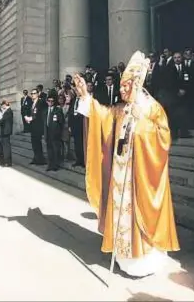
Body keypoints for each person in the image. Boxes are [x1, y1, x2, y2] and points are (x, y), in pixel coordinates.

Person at [73, 51, 179, 277]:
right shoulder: (122, 108)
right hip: (121, 172)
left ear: (136, 85)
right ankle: (124, 256)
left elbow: (164, 138)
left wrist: (140, 130)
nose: (121, 91)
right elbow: (102, 116)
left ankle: (145, 257)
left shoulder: (151, 107)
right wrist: (85, 97)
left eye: (125, 86)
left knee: (140, 212)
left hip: (141, 173)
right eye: (120, 86)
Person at [45, 92, 64, 171]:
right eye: (49, 101)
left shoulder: (58, 110)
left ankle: (56, 165)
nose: (50, 102)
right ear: (47, 101)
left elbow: (61, 121)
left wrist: (58, 131)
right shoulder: (45, 111)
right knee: (49, 150)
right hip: (47, 133)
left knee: (56, 150)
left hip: (55, 133)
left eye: (52, 101)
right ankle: (50, 165)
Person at [0, 100, 13, 167]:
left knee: (6, 147)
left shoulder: (8, 111)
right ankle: (3, 161)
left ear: (4, 105)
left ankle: (8, 162)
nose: (1, 106)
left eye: (2, 105)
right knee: (3, 146)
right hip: (4, 131)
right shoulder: (6, 111)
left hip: (6, 131)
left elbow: (2, 121)